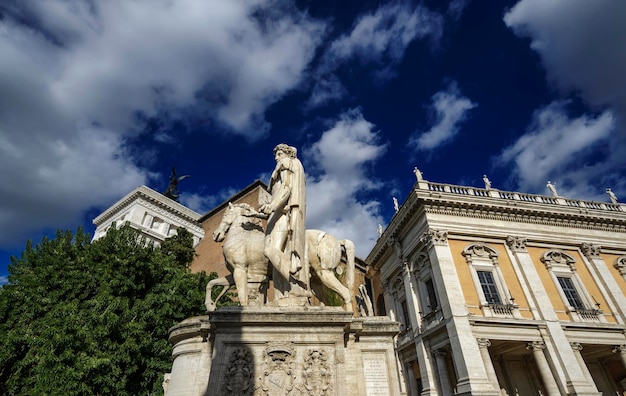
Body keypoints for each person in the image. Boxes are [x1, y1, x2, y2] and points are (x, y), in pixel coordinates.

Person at [259, 144, 309, 301]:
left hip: (282, 214)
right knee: (278, 256)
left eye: (279, 153)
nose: (276, 157)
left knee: (270, 250)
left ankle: (297, 285)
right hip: (277, 214)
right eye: (276, 154)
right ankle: (282, 295)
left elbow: (287, 188)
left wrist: (272, 206)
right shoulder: (288, 165)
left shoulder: (287, 163)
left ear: (286, 154)